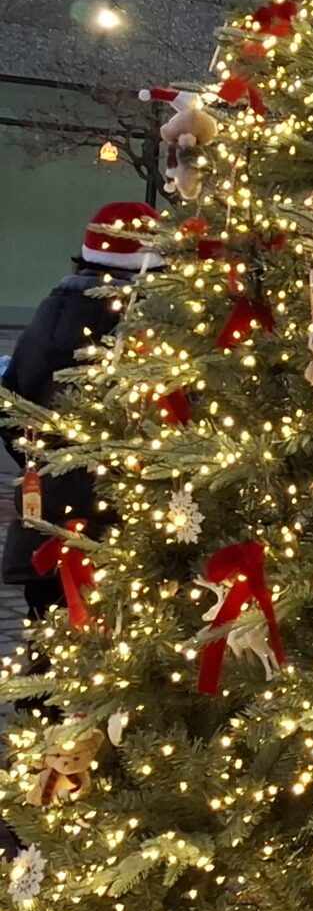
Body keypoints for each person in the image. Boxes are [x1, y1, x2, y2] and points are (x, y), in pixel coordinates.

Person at [2, 203, 160, 624]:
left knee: (52, 637)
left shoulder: (52, 310)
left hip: (49, 521)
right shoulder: (145, 325)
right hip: (123, 522)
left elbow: (11, 404)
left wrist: (43, 464)